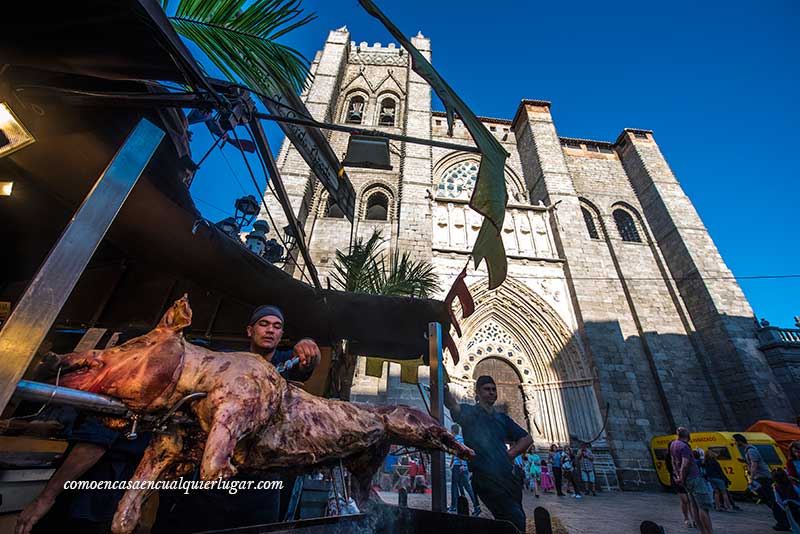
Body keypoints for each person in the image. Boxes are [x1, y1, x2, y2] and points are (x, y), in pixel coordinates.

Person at [153, 304, 320, 532]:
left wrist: (309, 344)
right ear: (250, 331)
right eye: (264, 324)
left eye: (277, 326)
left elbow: (308, 364)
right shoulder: (228, 360)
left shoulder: (285, 364)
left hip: (263, 476)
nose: (270, 330)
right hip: (219, 469)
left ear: (281, 335)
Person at [444, 375, 532, 533]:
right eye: (487, 389)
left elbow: (527, 438)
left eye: (493, 389)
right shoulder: (469, 413)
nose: (491, 392)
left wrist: (509, 455)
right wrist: (444, 390)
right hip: (485, 478)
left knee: (515, 519)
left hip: (508, 478)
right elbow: (453, 406)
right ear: (477, 393)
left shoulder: (502, 419)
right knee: (514, 518)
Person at [733, 433, 790, 532]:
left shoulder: (751, 451)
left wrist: (751, 478)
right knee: (769, 500)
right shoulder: (749, 451)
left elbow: (754, 465)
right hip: (762, 478)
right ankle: (783, 521)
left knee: (772, 501)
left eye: (735, 441)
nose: (735, 443)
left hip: (763, 478)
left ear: (739, 441)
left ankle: (783, 522)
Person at [670, 427, 713, 534]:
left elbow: (674, 462)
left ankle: (702, 531)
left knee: (694, 507)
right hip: (694, 478)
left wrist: (678, 476)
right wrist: (682, 476)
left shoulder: (673, 444)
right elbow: (685, 464)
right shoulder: (684, 446)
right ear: (688, 436)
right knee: (703, 508)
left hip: (686, 480)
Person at [448, 424, 481, 515]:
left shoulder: (456, 440)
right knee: (467, 487)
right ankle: (476, 506)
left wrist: (461, 464)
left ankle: (453, 506)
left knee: (454, 486)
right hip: (461, 466)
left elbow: (460, 452)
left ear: (453, 431)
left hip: (459, 466)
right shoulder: (461, 439)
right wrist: (452, 464)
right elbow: (456, 453)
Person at [773, 468, 800, 533]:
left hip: (788, 507)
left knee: (794, 523)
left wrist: (784, 509)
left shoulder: (776, 487)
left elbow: (778, 500)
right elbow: (798, 492)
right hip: (797, 503)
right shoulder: (792, 482)